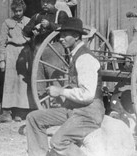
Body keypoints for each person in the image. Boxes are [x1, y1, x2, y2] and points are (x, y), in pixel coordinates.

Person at [26, 17, 105, 156]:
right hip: (73, 110)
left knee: (58, 142)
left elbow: (87, 95)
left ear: (76, 36)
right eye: (60, 35)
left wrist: (61, 91)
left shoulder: (85, 58)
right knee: (33, 118)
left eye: (64, 35)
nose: (61, 39)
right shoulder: (75, 55)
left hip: (88, 113)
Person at [23, 0, 69, 102]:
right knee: (39, 81)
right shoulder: (37, 16)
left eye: (48, 2)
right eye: (43, 1)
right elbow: (25, 30)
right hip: (38, 51)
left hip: (55, 51)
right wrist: (33, 29)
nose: (45, 4)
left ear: (54, 2)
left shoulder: (61, 14)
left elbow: (66, 29)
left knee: (55, 78)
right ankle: (42, 107)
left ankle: (58, 106)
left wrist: (50, 25)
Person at [0, 0, 31, 122]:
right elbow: (2, 42)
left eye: (20, 11)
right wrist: (2, 60)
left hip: (24, 52)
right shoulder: (7, 23)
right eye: (15, 11)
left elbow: (32, 39)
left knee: (22, 82)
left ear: (23, 10)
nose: (17, 13)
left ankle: (21, 112)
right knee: (10, 82)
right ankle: (7, 111)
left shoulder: (29, 21)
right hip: (10, 53)